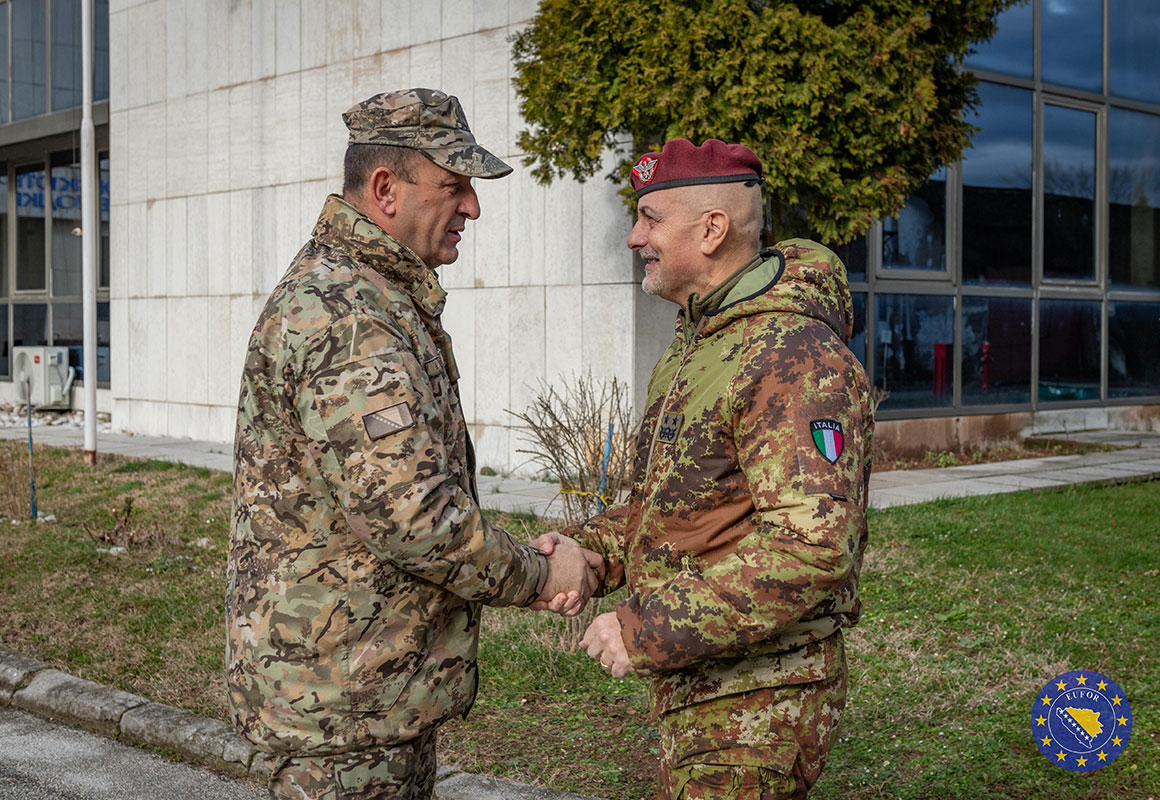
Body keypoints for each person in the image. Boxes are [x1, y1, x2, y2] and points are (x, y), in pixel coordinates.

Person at [226, 88, 603, 800]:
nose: (473, 208)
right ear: (385, 188)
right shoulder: (348, 316)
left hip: (357, 695)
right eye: (454, 187)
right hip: (339, 715)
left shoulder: (369, 296)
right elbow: (418, 521)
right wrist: (542, 575)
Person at [560, 138, 874, 799]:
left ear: (711, 229)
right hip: (706, 680)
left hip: (760, 697)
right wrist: (591, 553)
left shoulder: (793, 356)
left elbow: (811, 548)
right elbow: (677, 503)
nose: (633, 237)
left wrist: (644, 629)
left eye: (651, 218)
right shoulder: (701, 340)